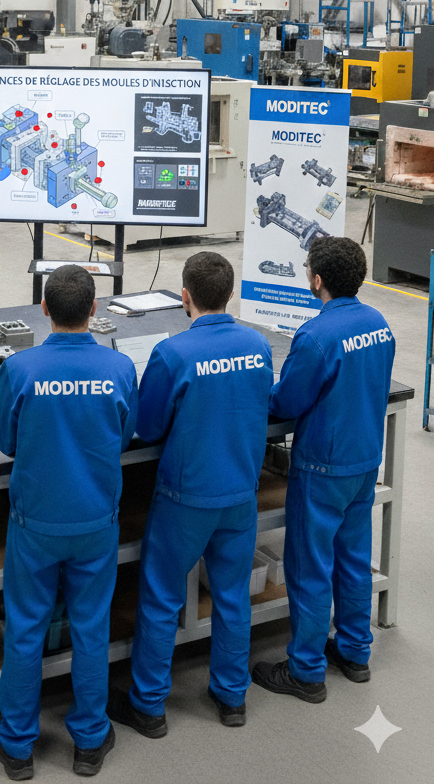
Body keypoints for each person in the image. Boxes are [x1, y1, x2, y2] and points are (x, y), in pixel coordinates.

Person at [109, 252, 273, 734]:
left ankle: (149, 706)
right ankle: (232, 697)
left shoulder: (173, 353)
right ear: (230, 294)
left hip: (186, 499)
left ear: (184, 297)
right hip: (240, 494)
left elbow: (149, 427)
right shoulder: (258, 344)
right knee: (232, 596)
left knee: (162, 598)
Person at [0, 265, 138, 778]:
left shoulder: (20, 369)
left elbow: (6, 441)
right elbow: (125, 435)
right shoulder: (119, 368)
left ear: (44, 309)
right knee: (91, 627)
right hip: (96, 521)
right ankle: (90, 741)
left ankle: (16, 745)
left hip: (35, 523)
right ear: (94, 309)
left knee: (26, 627)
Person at [252, 237, 395, 703]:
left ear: (316, 280)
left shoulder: (316, 336)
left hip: (323, 467)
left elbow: (288, 401)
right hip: (364, 460)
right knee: (353, 560)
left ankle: (306, 670)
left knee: (310, 566)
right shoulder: (379, 324)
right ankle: (354, 652)